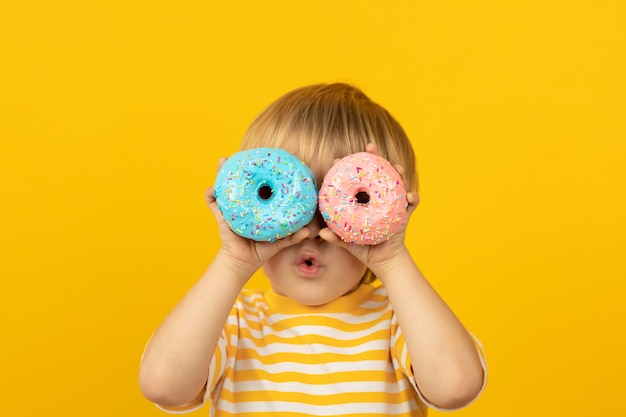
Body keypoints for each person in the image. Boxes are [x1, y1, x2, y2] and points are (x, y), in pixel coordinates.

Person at [139, 83, 487, 416]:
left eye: (339, 206)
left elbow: (455, 387)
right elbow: (163, 385)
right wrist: (233, 262)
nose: (313, 231)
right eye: (291, 204)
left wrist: (392, 260)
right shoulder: (232, 323)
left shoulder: (400, 324)